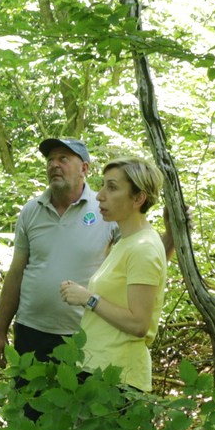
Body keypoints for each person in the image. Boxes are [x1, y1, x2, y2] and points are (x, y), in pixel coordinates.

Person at [0, 137, 114, 397]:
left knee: (80, 415)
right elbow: (16, 274)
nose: (54, 165)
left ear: (84, 168)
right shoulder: (31, 211)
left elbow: (141, 258)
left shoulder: (105, 210)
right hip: (31, 333)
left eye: (63, 159)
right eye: (50, 160)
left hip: (83, 335)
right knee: (30, 411)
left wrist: (171, 236)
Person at [59, 158, 170, 393]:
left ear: (138, 198)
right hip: (99, 369)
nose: (99, 195)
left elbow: (139, 323)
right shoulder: (127, 241)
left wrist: (87, 298)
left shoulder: (143, 247)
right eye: (102, 186)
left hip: (118, 378)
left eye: (112, 187)